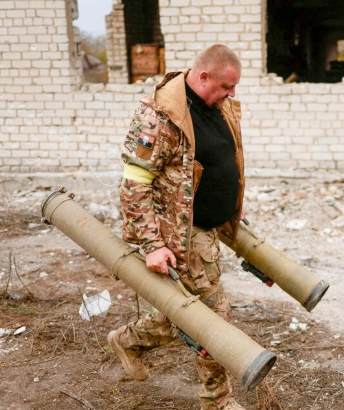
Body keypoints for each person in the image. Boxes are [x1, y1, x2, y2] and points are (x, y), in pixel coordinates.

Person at [108, 44, 247, 410]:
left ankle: (128, 340)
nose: (232, 94)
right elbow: (135, 183)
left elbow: (221, 160)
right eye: (226, 86)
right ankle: (218, 401)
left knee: (178, 315)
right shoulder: (158, 116)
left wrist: (231, 208)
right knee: (215, 321)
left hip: (208, 231)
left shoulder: (220, 106)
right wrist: (152, 245)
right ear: (203, 77)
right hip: (180, 237)